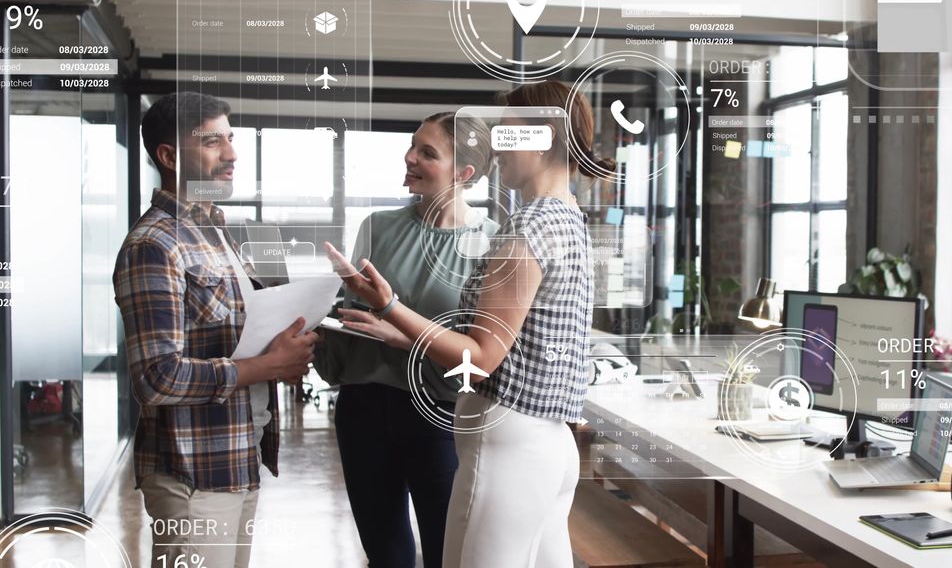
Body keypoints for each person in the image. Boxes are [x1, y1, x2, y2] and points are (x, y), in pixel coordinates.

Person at [324, 81, 609, 568]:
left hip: (509, 438)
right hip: (548, 440)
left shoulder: (528, 227)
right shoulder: (569, 219)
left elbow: (480, 359)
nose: (498, 144)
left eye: (509, 133)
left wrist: (390, 306)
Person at [114, 92, 318, 568]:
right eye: (212, 142)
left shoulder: (220, 230)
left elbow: (231, 332)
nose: (231, 154)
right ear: (168, 156)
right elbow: (157, 378)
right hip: (191, 474)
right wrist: (262, 366)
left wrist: (288, 346)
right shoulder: (154, 245)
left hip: (237, 454)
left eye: (231, 138)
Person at [313, 112, 498, 567]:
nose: (410, 157)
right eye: (412, 145)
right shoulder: (378, 226)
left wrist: (402, 336)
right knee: (385, 551)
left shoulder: (494, 243)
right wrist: (314, 314)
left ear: (464, 173)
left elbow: (485, 355)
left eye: (427, 153)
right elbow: (345, 314)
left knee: (446, 549)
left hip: (440, 414)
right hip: (364, 408)